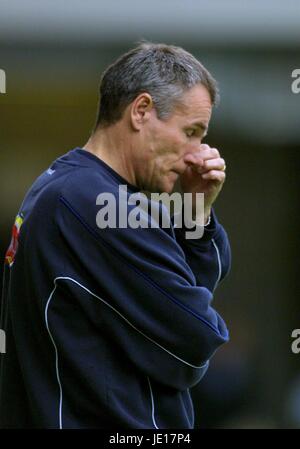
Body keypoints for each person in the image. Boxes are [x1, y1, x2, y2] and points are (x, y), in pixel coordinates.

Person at [0, 42, 231, 429]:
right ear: (140, 111)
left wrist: (196, 209)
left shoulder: (63, 187)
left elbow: (191, 291)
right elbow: (195, 341)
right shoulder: (97, 206)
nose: (197, 154)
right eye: (190, 132)